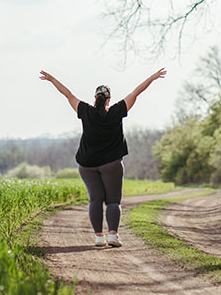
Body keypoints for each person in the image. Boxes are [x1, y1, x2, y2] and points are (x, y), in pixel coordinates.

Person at [39, 68, 166, 247]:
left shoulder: (85, 111)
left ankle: (99, 237)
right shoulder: (117, 111)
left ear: (95, 98)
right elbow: (136, 93)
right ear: (108, 99)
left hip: (87, 165)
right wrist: (152, 78)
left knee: (95, 199)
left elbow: (68, 94)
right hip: (112, 164)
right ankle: (113, 235)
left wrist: (52, 79)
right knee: (113, 201)